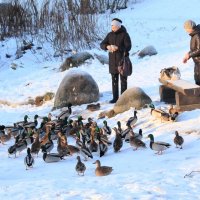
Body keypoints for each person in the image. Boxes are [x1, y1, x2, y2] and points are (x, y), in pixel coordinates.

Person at [100, 18, 132, 103]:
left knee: (123, 81)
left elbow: (128, 47)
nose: (112, 27)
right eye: (111, 25)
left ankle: (124, 99)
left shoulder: (125, 35)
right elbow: (102, 44)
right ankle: (115, 98)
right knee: (114, 81)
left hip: (122, 62)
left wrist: (118, 48)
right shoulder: (109, 35)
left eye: (113, 25)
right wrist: (107, 47)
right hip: (112, 62)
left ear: (118, 26)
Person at [183, 20, 200, 85]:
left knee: (198, 82)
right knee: (197, 81)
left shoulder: (197, 35)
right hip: (197, 63)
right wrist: (188, 54)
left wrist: (189, 55)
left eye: (186, 29)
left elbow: (199, 50)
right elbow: (195, 48)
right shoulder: (194, 34)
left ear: (190, 28)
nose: (186, 31)